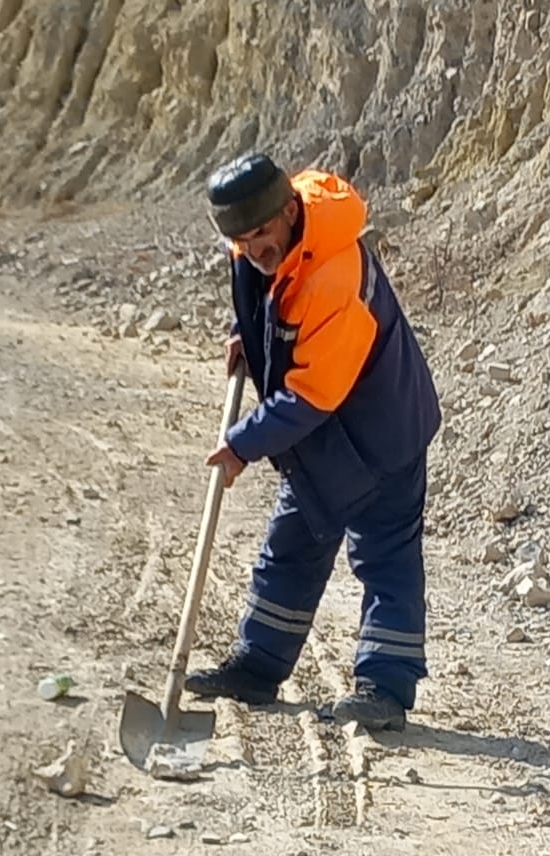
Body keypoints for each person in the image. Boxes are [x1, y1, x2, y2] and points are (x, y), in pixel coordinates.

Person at [184, 153, 441, 731]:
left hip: (382, 431)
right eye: (242, 240)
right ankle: (258, 667)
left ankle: (385, 688)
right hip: (322, 441)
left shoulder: (332, 272)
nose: (255, 248)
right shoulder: (259, 239)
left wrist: (242, 444)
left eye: (262, 234)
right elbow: (265, 293)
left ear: (290, 211)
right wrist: (243, 333)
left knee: (385, 557)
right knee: (291, 546)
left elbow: (312, 395)